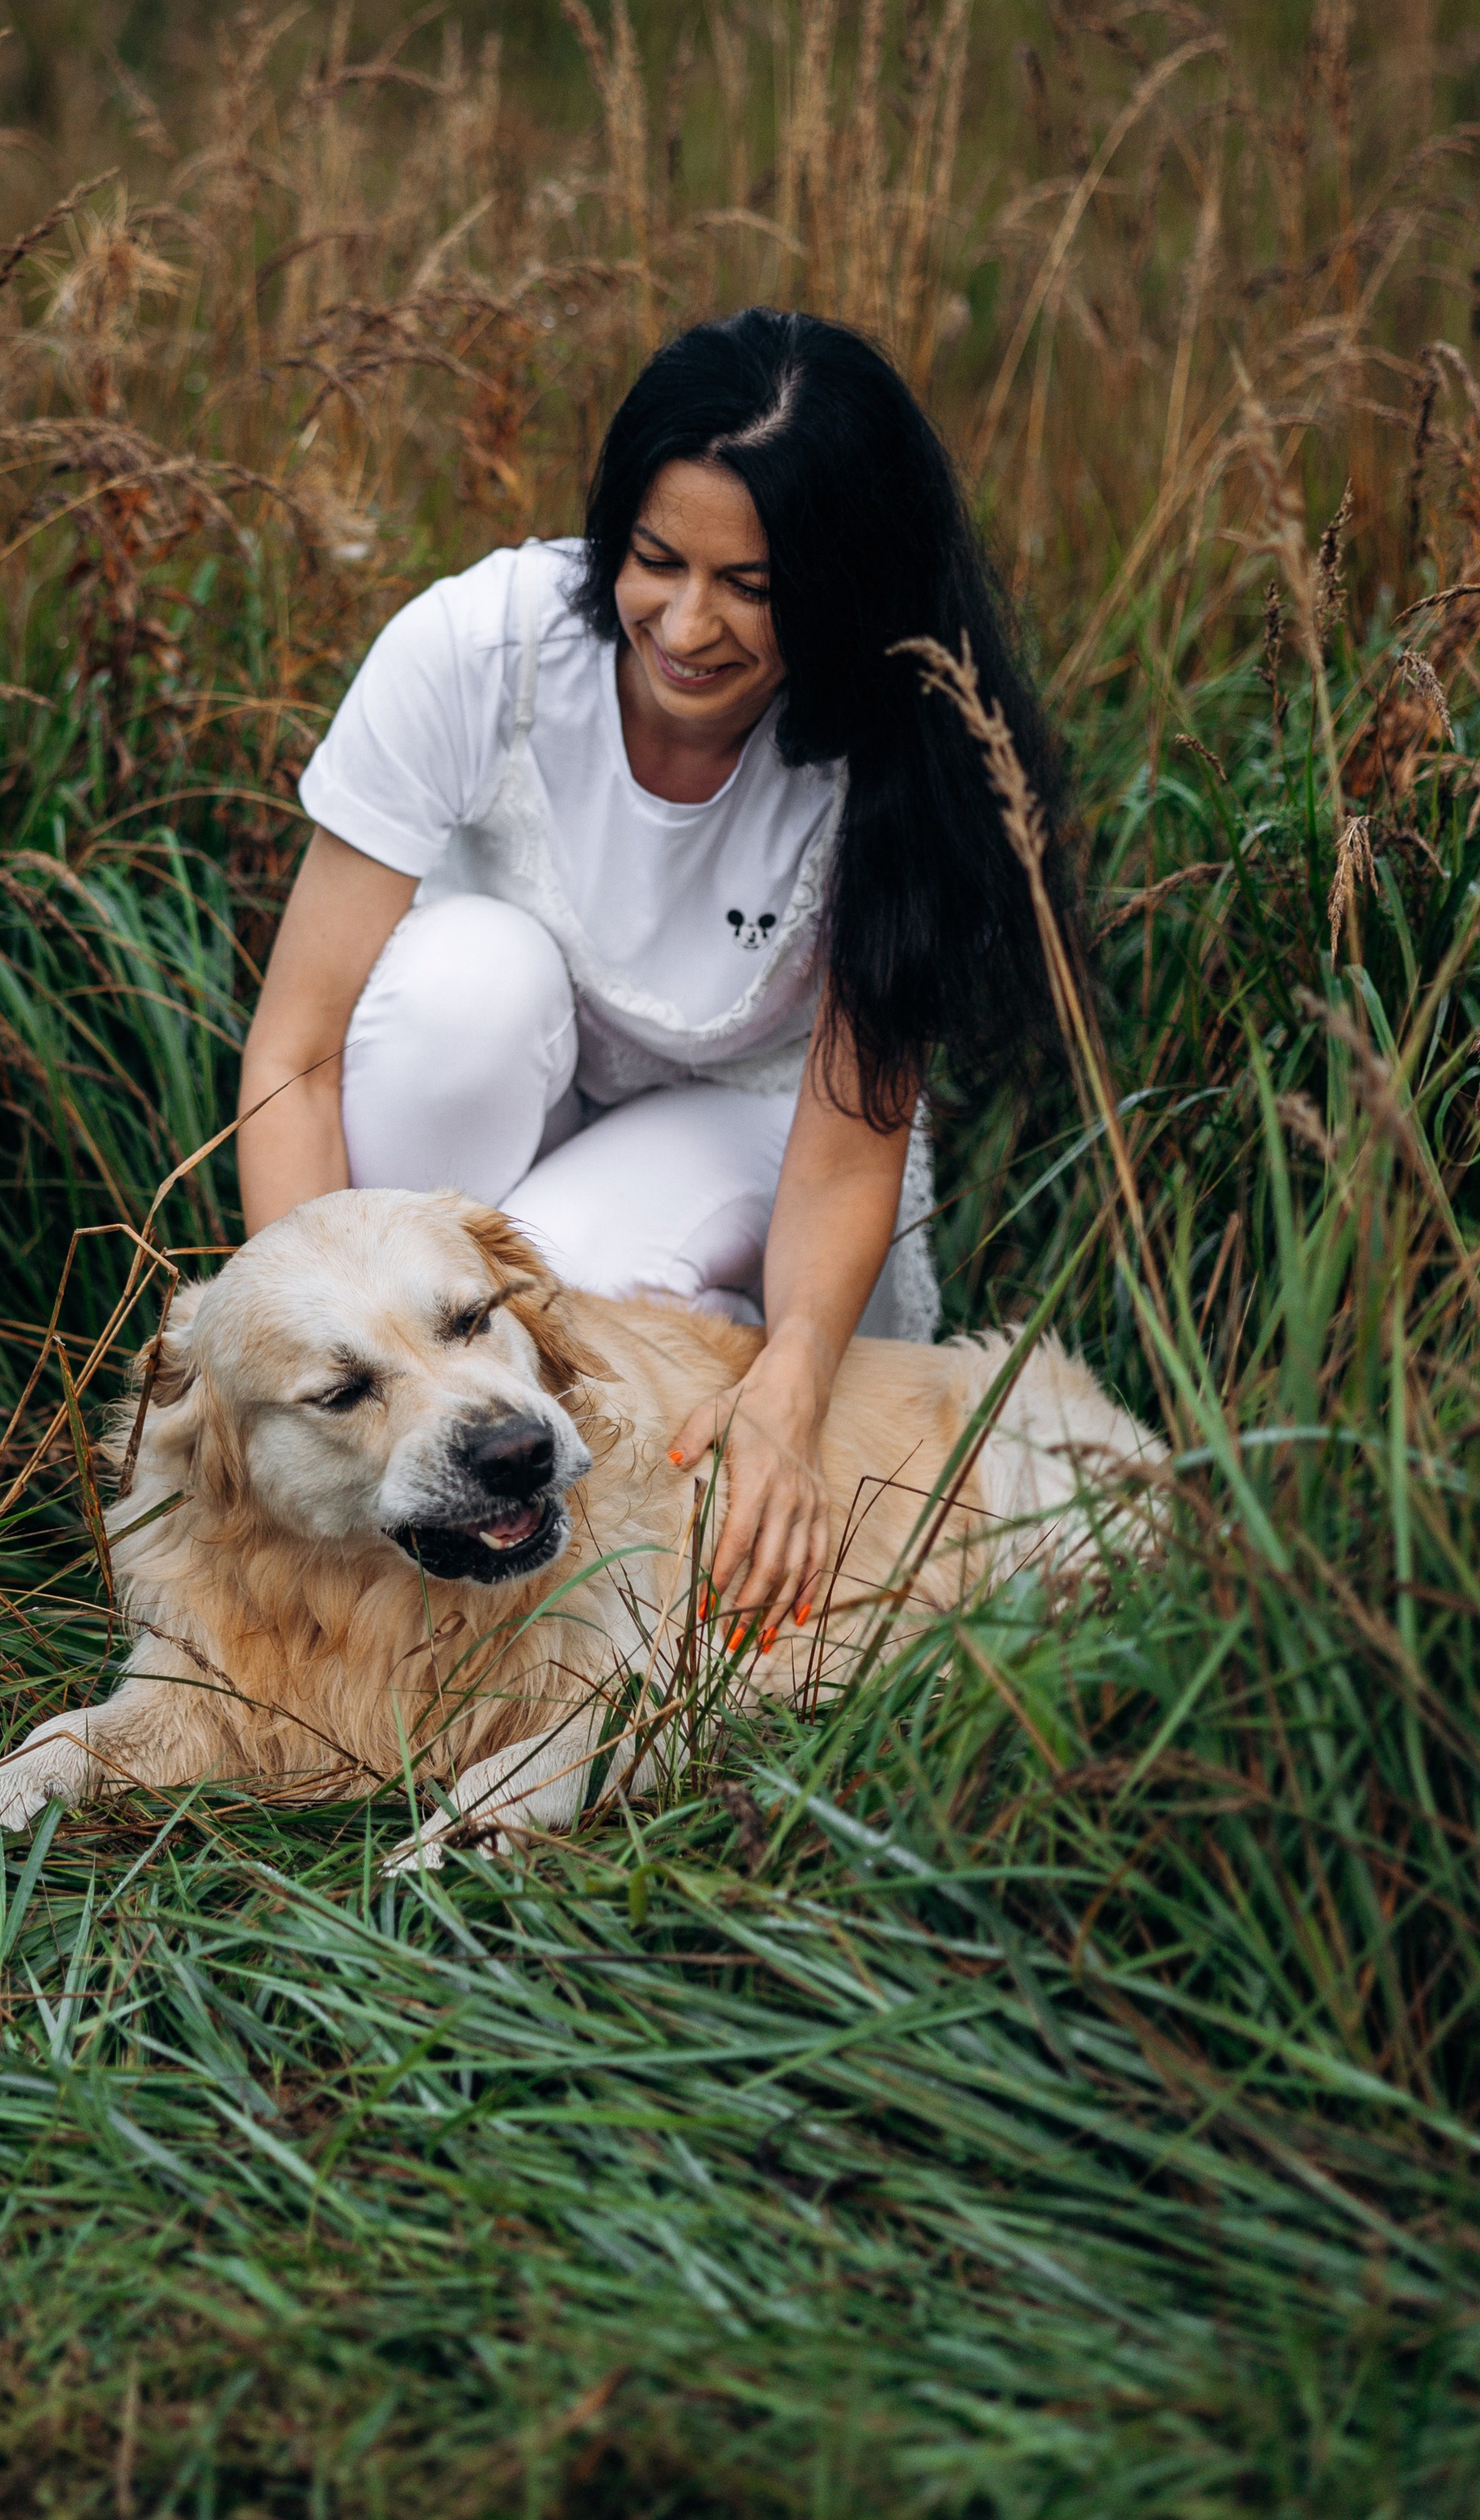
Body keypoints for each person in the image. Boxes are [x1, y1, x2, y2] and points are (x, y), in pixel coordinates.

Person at [238, 308, 1073, 1643]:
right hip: (486, 1075)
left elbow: (851, 1151)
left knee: (570, 1314)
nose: (687, 626)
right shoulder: (476, 648)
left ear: (846, 583)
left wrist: (792, 1395)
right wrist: (310, 1360)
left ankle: (700, 1370)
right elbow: (297, 1052)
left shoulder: (907, 751)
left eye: (754, 584)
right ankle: (402, 1441)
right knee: (469, 977)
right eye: (655, 560)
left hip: (751, 1129)